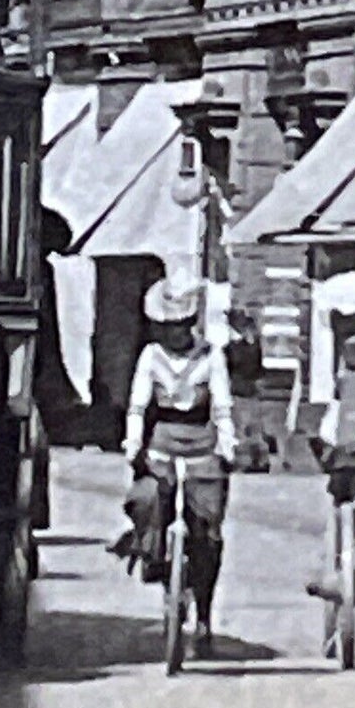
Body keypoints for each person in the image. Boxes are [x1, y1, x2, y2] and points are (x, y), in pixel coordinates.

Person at [115, 274, 236, 660]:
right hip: (162, 440)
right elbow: (137, 406)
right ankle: (154, 556)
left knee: (208, 531)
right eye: (166, 327)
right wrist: (133, 442)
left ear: (191, 324)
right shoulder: (151, 357)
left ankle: (203, 614)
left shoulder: (211, 356)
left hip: (202, 441)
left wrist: (227, 442)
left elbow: (222, 407)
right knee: (149, 499)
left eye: (180, 326)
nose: (174, 334)